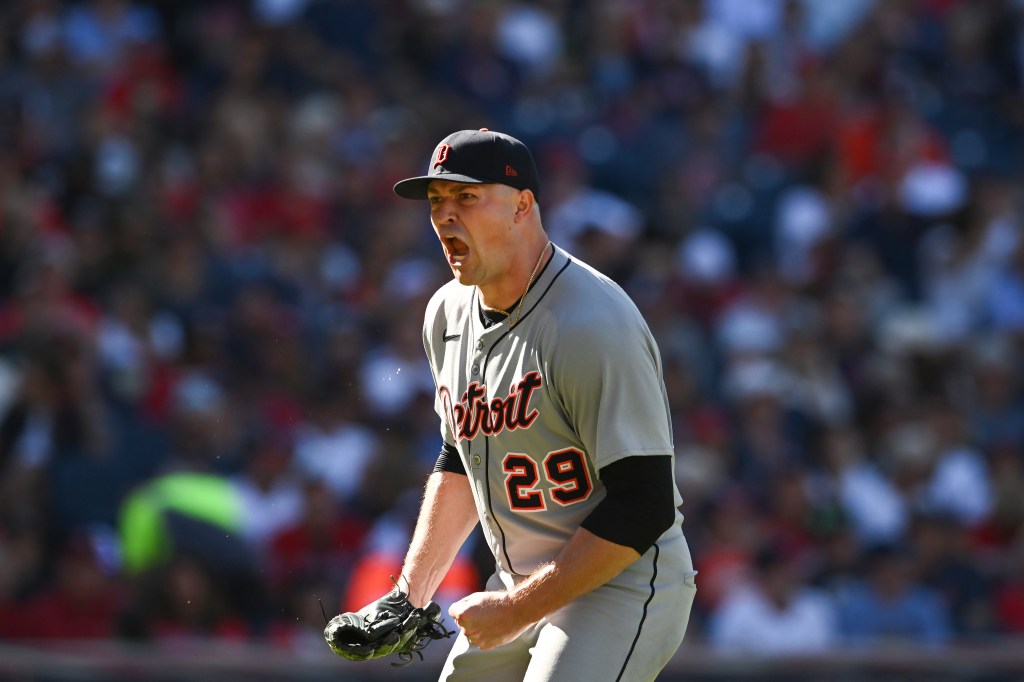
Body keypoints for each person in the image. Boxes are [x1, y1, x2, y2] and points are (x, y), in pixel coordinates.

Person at [386, 128, 697, 681]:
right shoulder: (446, 313)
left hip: (622, 581)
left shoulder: (593, 322)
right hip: (523, 582)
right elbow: (461, 459)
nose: (444, 217)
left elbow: (644, 503)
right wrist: (408, 595)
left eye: (466, 198)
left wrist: (514, 610)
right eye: (436, 202)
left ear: (522, 206)